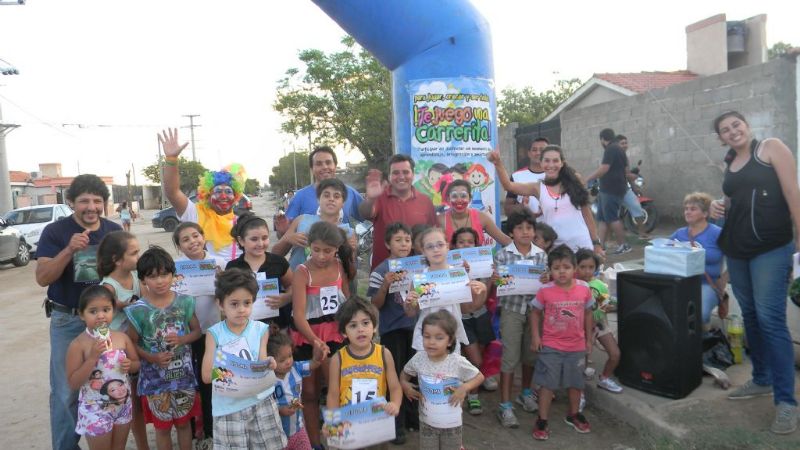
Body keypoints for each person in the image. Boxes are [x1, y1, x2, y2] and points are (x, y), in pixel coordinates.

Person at [709, 111, 800, 434]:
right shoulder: (730, 161)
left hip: (771, 248)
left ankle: (787, 402)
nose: (733, 131)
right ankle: (761, 378)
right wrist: (717, 205)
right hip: (737, 249)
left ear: (746, 125)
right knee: (749, 314)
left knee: (770, 318)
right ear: (721, 138)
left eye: (736, 125)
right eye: (725, 130)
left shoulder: (770, 148)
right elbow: (734, 199)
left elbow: (793, 194)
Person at [35, 173, 123, 450]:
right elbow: (42, 277)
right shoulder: (55, 232)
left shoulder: (113, 231)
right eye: (84, 201)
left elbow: (127, 272)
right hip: (68, 320)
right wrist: (69, 250)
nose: (91, 207)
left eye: (97, 201)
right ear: (71, 202)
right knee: (66, 391)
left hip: (108, 321)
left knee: (111, 383)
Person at [125, 246, 202, 450]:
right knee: (162, 429)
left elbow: (197, 331)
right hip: (155, 381)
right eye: (152, 276)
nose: (160, 281)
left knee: (184, 425)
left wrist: (182, 339)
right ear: (143, 280)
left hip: (183, 377)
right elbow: (131, 342)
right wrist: (151, 358)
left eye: (164, 274)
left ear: (173, 275)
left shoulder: (185, 302)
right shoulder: (137, 310)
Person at [201, 269, 287, 449]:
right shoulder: (214, 334)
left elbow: (261, 362)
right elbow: (207, 375)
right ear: (220, 304)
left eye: (247, 303)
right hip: (229, 408)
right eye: (234, 304)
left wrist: (269, 363)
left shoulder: (261, 329)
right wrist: (232, 372)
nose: (241, 309)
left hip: (261, 402)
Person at [290, 221, 353, 449]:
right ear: (309, 246)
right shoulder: (302, 272)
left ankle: (339, 439)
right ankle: (314, 443)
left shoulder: (339, 267)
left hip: (334, 335)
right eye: (316, 249)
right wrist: (315, 341)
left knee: (336, 388)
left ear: (336, 249)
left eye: (328, 250)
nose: (321, 255)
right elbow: (298, 315)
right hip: (306, 336)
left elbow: (347, 301)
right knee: (309, 392)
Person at [489, 145, 605, 257]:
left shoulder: (575, 181)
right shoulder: (537, 188)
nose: (551, 165)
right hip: (555, 249)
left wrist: (596, 243)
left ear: (562, 163)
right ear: (541, 163)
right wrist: (498, 163)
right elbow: (509, 186)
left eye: (555, 161)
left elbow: (587, 215)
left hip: (583, 246)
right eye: (547, 161)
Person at [530, 245, 594, 440]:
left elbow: (588, 313)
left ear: (574, 268)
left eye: (566, 267)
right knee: (547, 384)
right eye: (556, 268)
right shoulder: (545, 290)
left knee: (576, 383)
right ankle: (542, 420)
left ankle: (574, 414)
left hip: (577, 346)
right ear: (550, 270)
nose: (562, 272)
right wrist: (536, 337)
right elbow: (535, 313)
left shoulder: (584, 288)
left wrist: (589, 339)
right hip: (551, 346)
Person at [490, 209, 547, 428]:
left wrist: (547, 278)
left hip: (535, 312)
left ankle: (525, 393)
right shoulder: (503, 255)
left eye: (529, 228)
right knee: (510, 356)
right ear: (511, 232)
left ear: (534, 231)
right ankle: (505, 405)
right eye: (519, 228)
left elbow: (546, 282)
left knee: (531, 354)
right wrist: (496, 279)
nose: (525, 232)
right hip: (511, 310)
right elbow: (498, 283)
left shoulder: (541, 255)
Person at [172, 222, 227, 444]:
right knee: (189, 383)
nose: (192, 242)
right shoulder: (175, 267)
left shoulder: (219, 263)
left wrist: (221, 280)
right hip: (184, 336)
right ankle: (195, 431)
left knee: (211, 382)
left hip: (212, 335)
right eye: (185, 239)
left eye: (195, 236)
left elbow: (228, 296)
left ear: (203, 237)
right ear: (179, 246)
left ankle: (212, 431)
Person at [66, 285, 140, 450]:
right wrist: (92, 358)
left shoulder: (121, 338)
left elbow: (136, 365)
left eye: (106, 310)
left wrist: (130, 365)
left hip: (122, 404)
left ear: (113, 310)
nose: (101, 316)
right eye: (93, 311)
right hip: (95, 408)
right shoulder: (78, 345)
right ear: (81, 314)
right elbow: (73, 383)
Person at [159, 127, 247, 263]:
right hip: (202, 275)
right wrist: (171, 159)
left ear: (235, 196)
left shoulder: (241, 222)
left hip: (234, 275)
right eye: (218, 191)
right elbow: (172, 192)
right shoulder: (194, 213)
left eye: (228, 192)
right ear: (207, 195)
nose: (223, 196)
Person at [400, 310, 485, 450]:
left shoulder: (457, 361)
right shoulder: (419, 359)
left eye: (439, 338)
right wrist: (405, 385)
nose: (431, 342)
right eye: (427, 336)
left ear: (450, 341)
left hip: (452, 425)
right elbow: (405, 374)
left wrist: (464, 388)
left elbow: (479, 377)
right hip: (427, 423)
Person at [96, 231, 149, 448]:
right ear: (117, 260)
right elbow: (101, 322)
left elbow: (146, 301)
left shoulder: (136, 276)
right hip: (119, 353)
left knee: (138, 402)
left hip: (137, 345)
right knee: (128, 402)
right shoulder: (108, 286)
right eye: (134, 253)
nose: (139, 257)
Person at [367, 222, 419, 443]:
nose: (404, 244)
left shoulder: (418, 266)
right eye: (398, 240)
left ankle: (412, 417)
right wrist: (385, 286)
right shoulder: (380, 271)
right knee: (395, 376)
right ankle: (395, 424)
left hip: (415, 329)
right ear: (388, 244)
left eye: (407, 240)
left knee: (413, 373)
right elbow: (374, 305)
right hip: (392, 330)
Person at [326, 298, 403, 446]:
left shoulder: (384, 354)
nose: (360, 329)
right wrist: (333, 424)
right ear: (343, 332)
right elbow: (333, 395)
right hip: (348, 425)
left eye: (365, 323)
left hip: (376, 424)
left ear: (375, 326)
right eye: (353, 325)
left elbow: (395, 387)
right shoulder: (338, 359)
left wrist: (395, 404)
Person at [404, 227, 487, 357]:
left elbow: (468, 309)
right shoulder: (419, 279)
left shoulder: (458, 275)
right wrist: (409, 303)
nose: (436, 249)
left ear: (447, 247)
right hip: (426, 339)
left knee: (450, 370)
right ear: (423, 251)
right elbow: (411, 313)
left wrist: (482, 290)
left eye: (440, 244)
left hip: (451, 337)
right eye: (430, 247)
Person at [359, 154, 437, 270]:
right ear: (389, 176)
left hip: (419, 271)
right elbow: (365, 213)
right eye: (395, 173)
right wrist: (370, 199)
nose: (401, 177)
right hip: (385, 271)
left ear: (413, 174)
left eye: (406, 172)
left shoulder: (425, 201)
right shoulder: (379, 198)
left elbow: (433, 234)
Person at [450, 226, 497, 415]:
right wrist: (460, 272)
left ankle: (470, 387)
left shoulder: (483, 265)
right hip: (462, 319)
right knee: (475, 360)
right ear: (454, 245)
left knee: (480, 356)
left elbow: (486, 293)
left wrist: (492, 278)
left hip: (481, 315)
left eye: (470, 242)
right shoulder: (449, 266)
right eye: (461, 242)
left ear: (476, 245)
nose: (466, 245)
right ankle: (472, 396)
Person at [225, 213, 294, 329]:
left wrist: (287, 297)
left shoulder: (279, 262)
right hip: (245, 328)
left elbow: (292, 285)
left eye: (264, 238)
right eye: (254, 239)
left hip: (277, 327)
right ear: (241, 241)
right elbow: (228, 297)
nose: (260, 244)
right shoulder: (233, 267)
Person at [670, 193, 727, 325]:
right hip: (680, 284)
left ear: (705, 214)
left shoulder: (717, 233)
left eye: (693, 209)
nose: (687, 212)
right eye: (686, 209)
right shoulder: (679, 234)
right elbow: (663, 253)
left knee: (700, 314)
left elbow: (734, 258)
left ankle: (701, 334)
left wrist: (723, 281)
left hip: (707, 284)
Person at [269, 330, 328, 450]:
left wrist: (317, 356)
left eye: (290, 356)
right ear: (270, 361)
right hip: (278, 436)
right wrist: (279, 410)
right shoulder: (268, 380)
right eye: (282, 360)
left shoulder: (296, 368)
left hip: (298, 430)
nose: (288, 361)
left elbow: (314, 363)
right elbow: (264, 405)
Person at [575, 249, 622, 394]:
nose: (587, 271)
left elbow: (603, 305)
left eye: (591, 267)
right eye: (582, 267)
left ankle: (604, 378)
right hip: (580, 328)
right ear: (575, 266)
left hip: (599, 324)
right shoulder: (573, 285)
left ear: (596, 268)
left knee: (615, 354)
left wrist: (607, 307)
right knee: (581, 361)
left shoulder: (600, 285)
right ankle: (579, 393)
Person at [285, 146, 364, 224]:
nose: (325, 167)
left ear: (335, 166)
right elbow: (287, 228)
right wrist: (283, 228)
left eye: (328, 162)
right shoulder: (300, 196)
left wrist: (370, 199)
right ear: (312, 169)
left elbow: (368, 217)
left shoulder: (350, 193)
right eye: (319, 164)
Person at [584, 128, 631, 255]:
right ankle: (600, 246)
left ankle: (623, 245)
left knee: (612, 218)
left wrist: (588, 178)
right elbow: (626, 169)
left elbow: (604, 168)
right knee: (602, 219)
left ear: (602, 139)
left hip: (611, 189)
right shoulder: (619, 149)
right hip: (609, 189)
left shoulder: (611, 149)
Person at [438, 179, 511, 248]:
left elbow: (505, 240)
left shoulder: (481, 217)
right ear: (448, 199)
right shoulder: (440, 220)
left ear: (470, 198)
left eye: (463, 196)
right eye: (454, 196)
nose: (459, 200)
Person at [504, 137, 549, 217]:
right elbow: (507, 210)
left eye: (542, 150)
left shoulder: (557, 176)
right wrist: (522, 207)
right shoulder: (517, 176)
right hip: (527, 224)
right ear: (529, 153)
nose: (538, 153)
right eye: (534, 150)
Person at [616, 135, 648, 237]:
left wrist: (634, 187)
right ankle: (609, 239)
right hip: (613, 190)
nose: (625, 145)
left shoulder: (625, 157)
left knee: (636, 207)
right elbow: (620, 174)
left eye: (626, 143)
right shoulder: (614, 157)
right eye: (622, 143)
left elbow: (627, 174)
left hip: (624, 188)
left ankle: (642, 233)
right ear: (617, 145)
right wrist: (631, 176)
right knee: (612, 214)